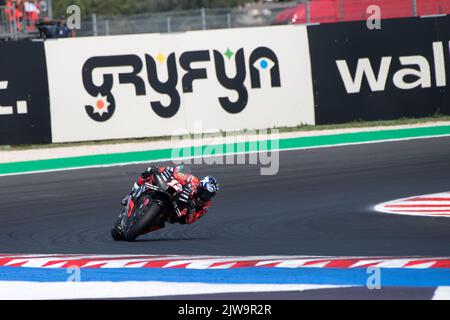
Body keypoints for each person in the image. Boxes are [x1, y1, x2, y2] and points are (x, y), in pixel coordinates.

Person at [120, 165, 219, 233]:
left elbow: (190, 221)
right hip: (173, 193)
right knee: (148, 173)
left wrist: (191, 209)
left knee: (164, 221)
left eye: (208, 195)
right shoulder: (192, 180)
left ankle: (144, 226)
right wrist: (160, 170)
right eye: (204, 193)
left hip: (178, 213)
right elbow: (175, 171)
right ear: (200, 186)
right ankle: (131, 194)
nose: (204, 197)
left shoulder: (205, 205)